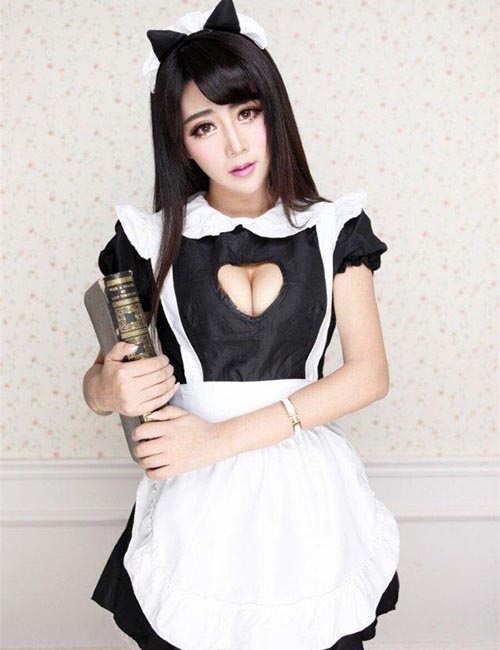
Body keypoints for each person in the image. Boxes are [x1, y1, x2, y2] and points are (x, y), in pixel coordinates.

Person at [82, 1, 401, 649]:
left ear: (273, 113)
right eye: (204, 126)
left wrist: (219, 441)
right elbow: (103, 379)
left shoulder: (334, 229)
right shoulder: (146, 241)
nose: (233, 144)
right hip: (195, 500)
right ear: (179, 141)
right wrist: (107, 388)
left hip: (309, 496)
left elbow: (369, 374)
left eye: (246, 113)